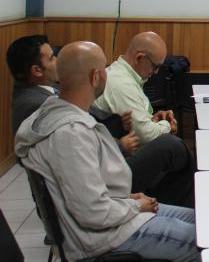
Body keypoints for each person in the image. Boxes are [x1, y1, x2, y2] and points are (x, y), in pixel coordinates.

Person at [15, 41, 199, 262]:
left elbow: (81, 191)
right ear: (95, 77)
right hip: (104, 237)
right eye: (105, 68)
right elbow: (93, 213)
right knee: (207, 241)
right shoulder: (70, 134)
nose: (108, 73)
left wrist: (127, 199)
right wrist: (134, 205)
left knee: (202, 220)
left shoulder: (53, 112)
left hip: (111, 216)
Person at [6, 34, 194, 207]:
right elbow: (74, 150)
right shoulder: (35, 104)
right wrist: (120, 145)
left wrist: (126, 124)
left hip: (106, 163)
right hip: (99, 179)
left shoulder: (47, 92)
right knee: (171, 146)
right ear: (36, 70)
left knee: (173, 155)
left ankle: (176, 205)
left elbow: (90, 124)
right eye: (52, 58)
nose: (57, 61)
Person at [94, 31, 179, 145]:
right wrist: (167, 125)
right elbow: (145, 136)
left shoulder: (122, 74)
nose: (156, 72)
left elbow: (137, 128)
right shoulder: (123, 85)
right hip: (118, 153)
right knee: (174, 146)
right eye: (155, 66)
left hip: (118, 145)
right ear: (139, 58)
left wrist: (151, 120)